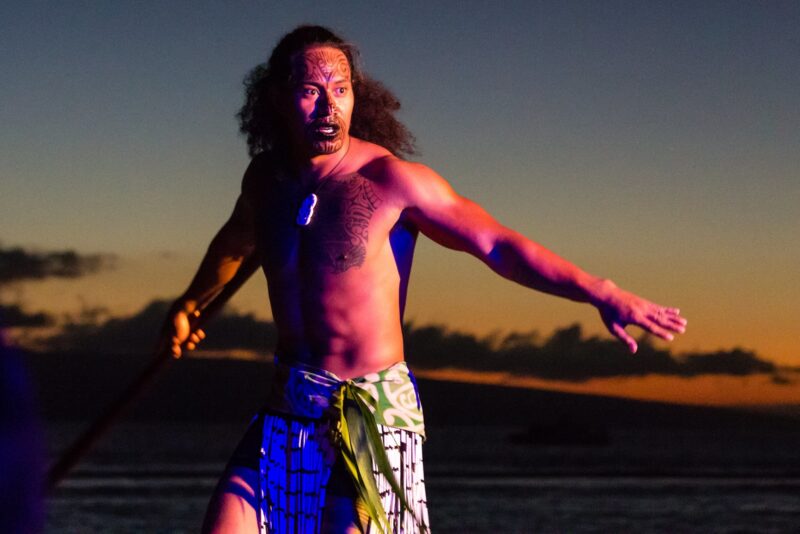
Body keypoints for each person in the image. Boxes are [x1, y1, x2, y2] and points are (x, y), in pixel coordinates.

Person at [159, 25, 687, 534]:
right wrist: (190, 303)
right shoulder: (266, 180)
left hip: (370, 412)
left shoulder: (390, 181)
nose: (329, 107)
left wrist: (600, 290)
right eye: (310, 91)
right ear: (275, 98)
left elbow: (496, 244)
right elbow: (235, 242)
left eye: (340, 91)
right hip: (289, 406)